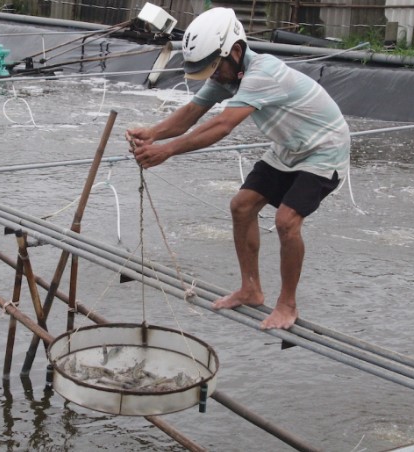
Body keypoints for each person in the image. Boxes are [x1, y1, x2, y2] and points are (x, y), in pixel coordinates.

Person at [125, 7, 350, 330]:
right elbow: (191, 114)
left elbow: (223, 126)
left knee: (286, 221)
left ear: (235, 50)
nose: (213, 77)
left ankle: (287, 305)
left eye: (215, 69)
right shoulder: (228, 74)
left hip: (324, 148)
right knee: (241, 206)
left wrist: (167, 151)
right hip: (288, 146)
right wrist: (152, 133)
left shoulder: (262, 73)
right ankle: (251, 289)